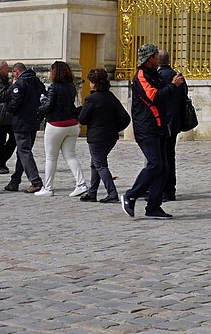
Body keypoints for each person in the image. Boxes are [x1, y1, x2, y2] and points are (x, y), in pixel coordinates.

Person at [122, 45, 181, 218]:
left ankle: (153, 206)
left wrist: (165, 123)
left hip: (159, 126)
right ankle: (131, 195)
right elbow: (153, 97)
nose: (158, 58)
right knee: (155, 164)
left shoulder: (155, 74)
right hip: (146, 128)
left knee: (163, 168)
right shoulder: (141, 75)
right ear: (150, 58)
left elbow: (163, 100)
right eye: (156, 55)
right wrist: (173, 85)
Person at [80, 67, 130, 204]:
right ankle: (92, 193)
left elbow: (82, 119)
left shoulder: (91, 99)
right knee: (95, 163)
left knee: (100, 165)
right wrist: (116, 129)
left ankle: (112, 193)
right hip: (111, 136)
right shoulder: (111, 97)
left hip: (97, 137)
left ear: (94, 83)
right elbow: (125, 118)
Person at [36, 60, 86, 198]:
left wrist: (40, 105)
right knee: (70, 156)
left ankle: (48, 188)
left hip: (56, 124)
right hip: (72, 123)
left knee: (51, 158)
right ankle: (81, 184)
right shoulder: (71, 86)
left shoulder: (54, 87)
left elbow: (49, 106)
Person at [3, 63, 44, 194]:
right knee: (22, 152)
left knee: (24, 151)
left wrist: (8, 108)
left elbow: (14, 103)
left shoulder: (20, 84)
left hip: (21, 121)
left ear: (16, 72)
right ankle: (14, 181)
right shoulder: (36, 81)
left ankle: (36, 181)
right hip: (34, 121)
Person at [156, 48, 188, 201]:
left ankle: (162, 189)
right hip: (175, 121)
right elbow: (184, 97)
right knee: (170, 155)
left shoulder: (158, 77)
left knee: (162, 156)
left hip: (162, 122)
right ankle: (171, 189)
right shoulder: (177, 76)